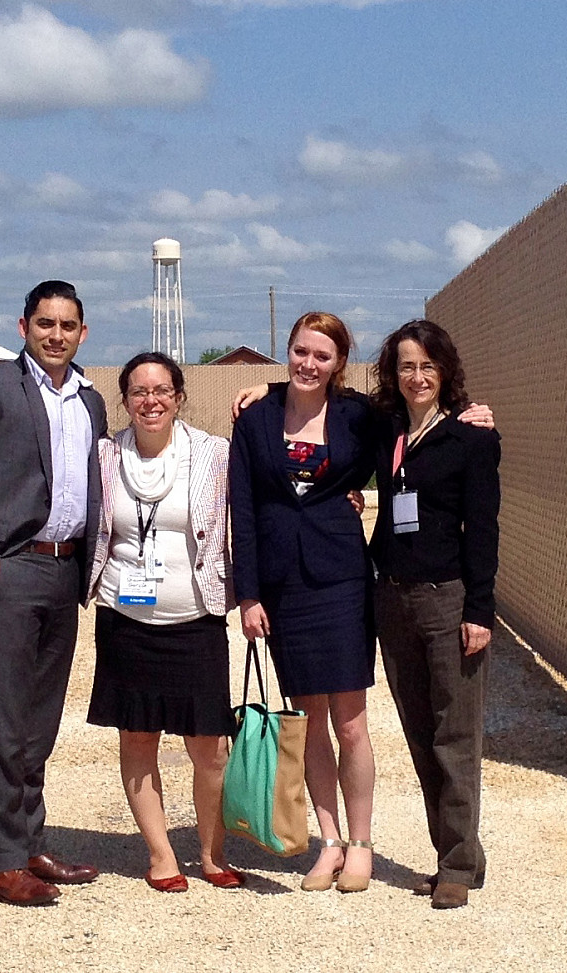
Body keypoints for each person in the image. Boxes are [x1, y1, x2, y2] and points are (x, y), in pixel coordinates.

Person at [0, 280, 105, 906]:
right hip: (11, 569)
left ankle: (31, 844)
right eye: (45, 324)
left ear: (83, 333)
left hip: (65, 571)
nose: (56, 335)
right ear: (23, 326)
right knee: (9, 717)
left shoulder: (91, 400)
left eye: (67, 325)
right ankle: (3, 864)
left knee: (42, 718)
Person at [229, 311, 379, 893]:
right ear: (286, 351)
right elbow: (243, 508)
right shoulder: (256, 418)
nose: (308, 364)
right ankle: (329, 842)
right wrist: (249, 595)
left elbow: (416, 425)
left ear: (339, 363)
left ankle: (361, 843)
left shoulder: (358, 415)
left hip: (340, 580)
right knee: (307, 722)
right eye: (299, 351)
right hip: (282, 588)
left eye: (322, 355)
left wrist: (469, 414)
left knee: (351, 723)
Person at [87, 352, 242, 893]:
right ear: (125, 399)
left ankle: (213, 852)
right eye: (138, 391)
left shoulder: (214, 453)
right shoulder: (105, 455)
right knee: (138, 738)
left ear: (179, 396)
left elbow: (265, 495)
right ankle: (160, 855)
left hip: (196, 618)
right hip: (124, 619)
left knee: (211, 747)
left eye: (161, 391)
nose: (150, 401)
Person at [369, 319, 500, 910]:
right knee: (421, 734)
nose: (416, 377)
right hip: (393, 598)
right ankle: (452, 852)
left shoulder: (470, 438)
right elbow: (326, 397)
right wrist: (263, 388)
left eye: (427, 366)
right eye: (406, 366)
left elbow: (484, 530)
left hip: (448, 598)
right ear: (392, 373)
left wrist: (479, 610)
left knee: (455, 736)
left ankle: (458, 866)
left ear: (444, 371)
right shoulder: (386, 427)